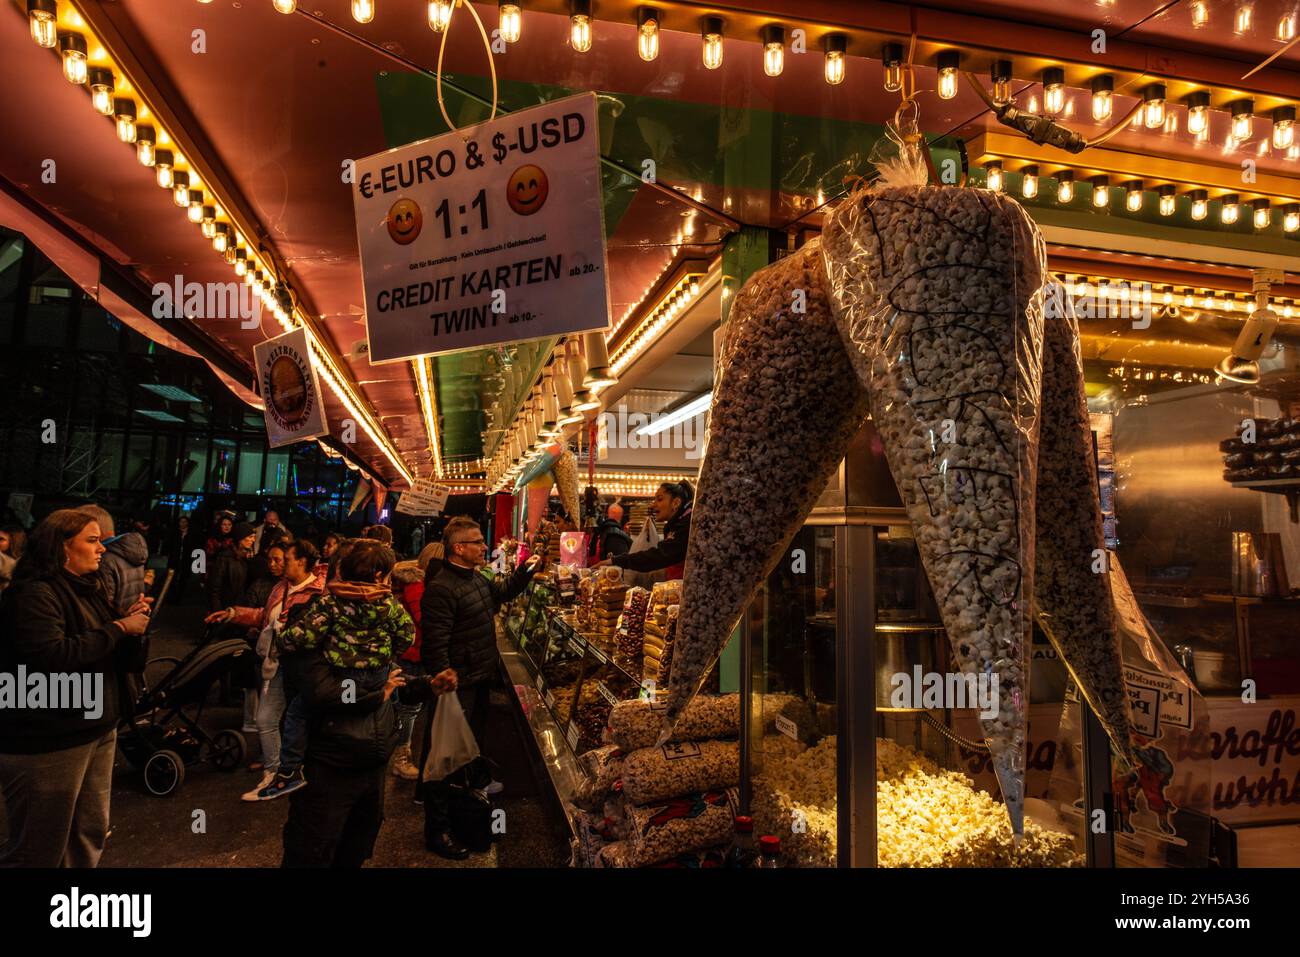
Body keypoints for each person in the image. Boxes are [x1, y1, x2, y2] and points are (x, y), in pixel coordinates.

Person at [0, 509, 151, 867]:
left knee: (87, 833)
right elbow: (51, 656)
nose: (102, 549)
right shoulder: (34, 595)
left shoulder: (91, 589)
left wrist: (131, 626)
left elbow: (116, 654)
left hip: (95, 726)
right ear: (62, 548)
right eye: (93, 541)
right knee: (40, 846)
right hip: (50, 737)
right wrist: (118, 629)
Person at [419, 516, 541, 859]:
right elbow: (434, 644)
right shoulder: (442, 588)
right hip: (457, 686)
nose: (484, 546)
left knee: (468, 755)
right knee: (443, 762)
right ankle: (438, 832)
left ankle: (469, 819)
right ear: (459, 548)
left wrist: (527, 570)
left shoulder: (476, 577)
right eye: (477, 541)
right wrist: (442, 676)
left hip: (478, 679)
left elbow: (501, 593)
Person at [267, 540, 414, 802]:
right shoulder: (389, 605)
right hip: (378, 675)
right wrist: (386, 655)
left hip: (343, 676)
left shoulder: (331, 603)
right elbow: (407, 636)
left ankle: (289, 770)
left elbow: (303, 637)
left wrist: (281, 638)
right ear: (379, 575)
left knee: (298, 711)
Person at [207, 540, 323, 799]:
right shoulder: (281, 587)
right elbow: (263, 616)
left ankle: (295, 774)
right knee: (266, 719)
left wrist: (289, 631)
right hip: (277, 665)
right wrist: (232, 613)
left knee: (297, 722)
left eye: (285, 560)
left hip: (302, 671)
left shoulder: (318, 592)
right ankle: (275, 773)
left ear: (302, 562)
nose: (279, 565)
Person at [388, 541, 445, 781]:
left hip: (419, 652)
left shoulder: (419, 583)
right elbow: (426, 621)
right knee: (408, 708)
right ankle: (401, 758)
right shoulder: (417, 586)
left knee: (412, 707)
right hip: (413, 654)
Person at [597, 481, 693, 578]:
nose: (652, 505)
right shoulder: (679, 525)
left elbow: (658, 556)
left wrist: (616, 561)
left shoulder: (687, 525)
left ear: (676, 503)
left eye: (659, 499)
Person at [77, 506, 149, 616]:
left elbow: (105, 606)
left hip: (118, 623)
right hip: (133, 618)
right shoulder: (131, 551)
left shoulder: (102, 558)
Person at [207, 522, 255, 613]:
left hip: (236, 609)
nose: (253, 540)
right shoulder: (224, 558)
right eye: (250, 537)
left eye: (254, 537)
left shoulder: (243, 558)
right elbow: (215, 588)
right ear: (240, 538)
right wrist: (217, 611)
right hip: (224, 608)